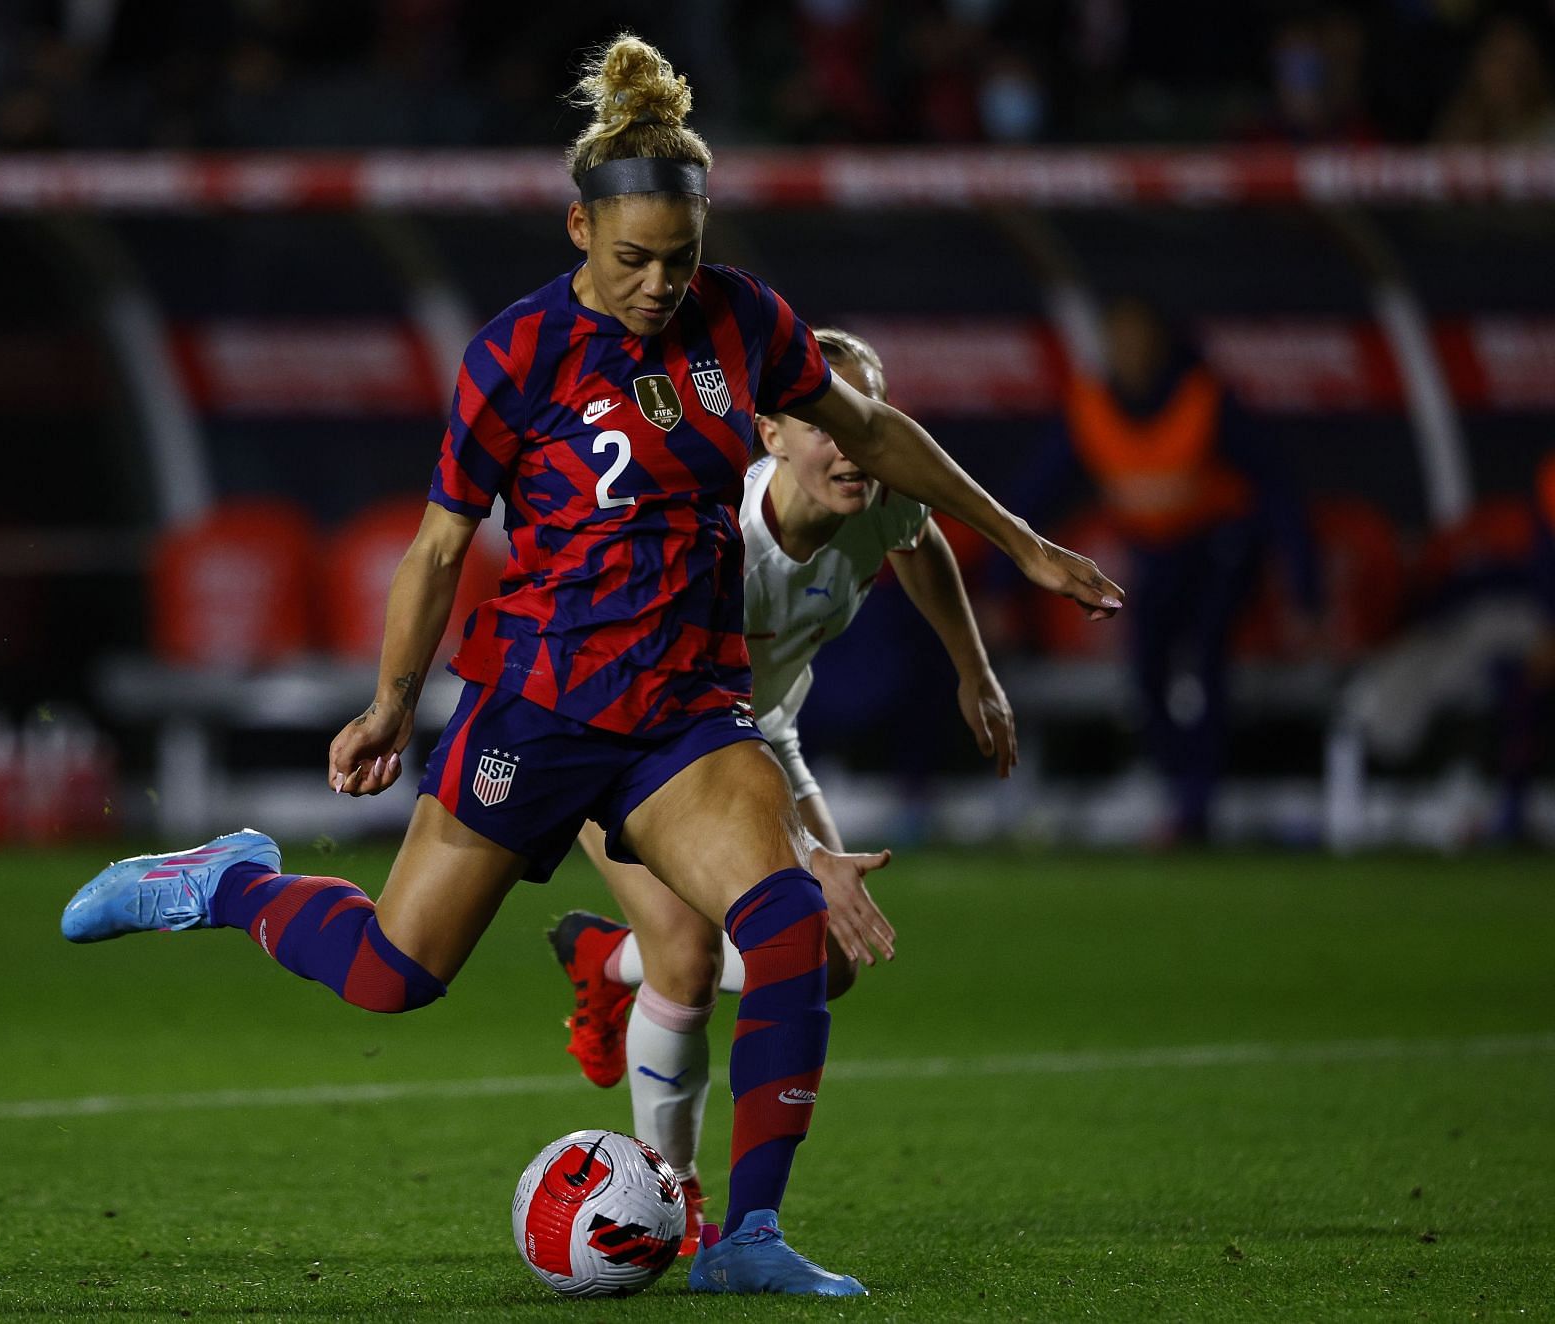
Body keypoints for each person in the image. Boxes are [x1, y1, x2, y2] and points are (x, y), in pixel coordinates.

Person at [59, 33, 1121, 1297]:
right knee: (395, 975)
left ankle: (750, 1240)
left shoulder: (747, 324)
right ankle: (227, 884)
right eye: (633, 259)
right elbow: (442, 543)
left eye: (679, 256)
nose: (661, 284)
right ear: (577, 227)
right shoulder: (516, 357)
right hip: (543, 707)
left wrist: (1027, 540)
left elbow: (876, 431)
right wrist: (393, 700)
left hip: (684, 715)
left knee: (787, 931)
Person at [548, 326, 1017, 1254]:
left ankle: (609, 965)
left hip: (760, 739)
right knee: (686, 954)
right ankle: (667, 1199)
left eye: (867, 421)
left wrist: (974, 669)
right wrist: (805, 856)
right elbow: (677, 718)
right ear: (768, 435)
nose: (852, 444)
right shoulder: (719, 540)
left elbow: (922, 546)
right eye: (823, 423)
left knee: (823, 962)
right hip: (626, 737)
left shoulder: (878, 498)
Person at [1013, 297, 1317, 843]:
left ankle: (1198, 802)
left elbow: (1275, 487)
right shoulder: (1092, 405)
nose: (1129, 354)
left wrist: (1303, 583)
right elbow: (1032, 495)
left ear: (1161, 342)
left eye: (1139, 339)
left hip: (1219, 548)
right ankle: (1176, 787)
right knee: (1147, 665)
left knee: (1203, 658)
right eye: (1118, 341)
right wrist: (998, 578)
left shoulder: (1203, 398)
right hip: (1155, 559)